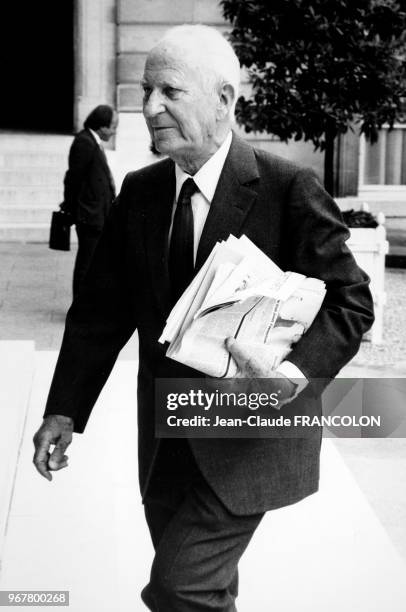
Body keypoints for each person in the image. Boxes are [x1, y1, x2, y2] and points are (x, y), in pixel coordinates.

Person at [33, 25, 374, 611]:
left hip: (249, 439)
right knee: (204, 594)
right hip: (165, 441)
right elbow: (99, 315)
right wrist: (64, 408)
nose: (149, 107)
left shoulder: (287, 187)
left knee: (178, 585)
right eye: (145, 91)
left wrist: (289, 376)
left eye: (169, 90)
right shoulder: (139, 193)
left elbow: (352, 301)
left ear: (224, 100)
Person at [62, 104, 118, 297]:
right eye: (112, 126)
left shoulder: (92, 141)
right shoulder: (84, 142)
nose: (114, 131)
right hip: (89, 215)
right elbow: (73, 179)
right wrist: (72, 209)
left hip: (96, 214)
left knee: (92, 261)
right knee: (86, 263)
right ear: (101, 126)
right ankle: (79, 306)